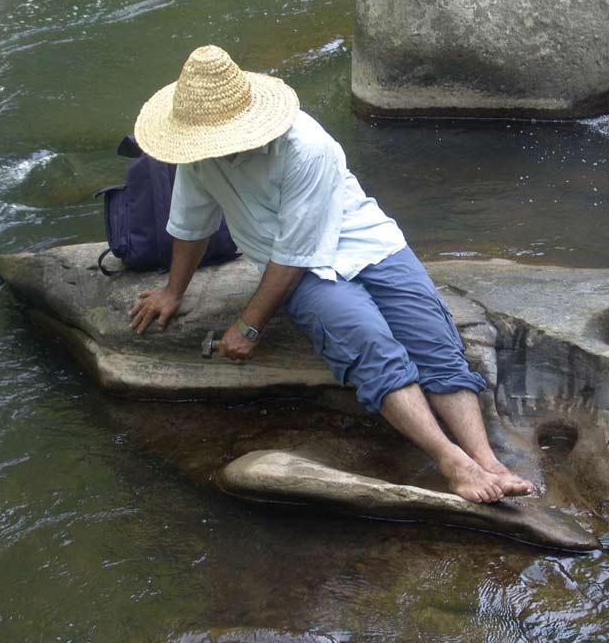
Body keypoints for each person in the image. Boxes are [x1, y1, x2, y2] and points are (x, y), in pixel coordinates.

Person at [126, 45, 534, 504]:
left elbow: (295, 255)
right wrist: (173, 291)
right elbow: (190, 225)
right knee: (366, 341)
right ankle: (451, 461)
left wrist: (249, 324)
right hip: (303, 267)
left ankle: (488, 460)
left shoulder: (305, 146)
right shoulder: (198, 154)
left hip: (362, 242)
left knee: (432, 339)